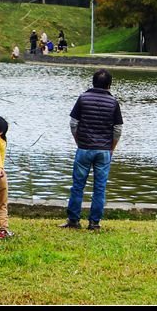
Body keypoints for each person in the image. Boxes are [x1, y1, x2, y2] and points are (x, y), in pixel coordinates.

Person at [61, 69, 123, 231]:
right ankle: (94, 222)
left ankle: (73, 220)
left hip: (84, 149)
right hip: (103, 151)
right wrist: (111, 148)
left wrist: (79, 141)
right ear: (109, 85)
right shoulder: (113, 102)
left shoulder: (83, 98)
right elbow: (117, 129)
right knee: (100, 187)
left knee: (77, 186)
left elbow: (73, 123)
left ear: (93, 82)